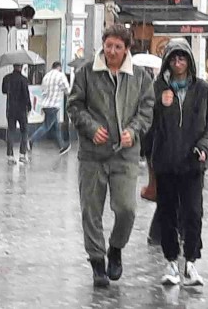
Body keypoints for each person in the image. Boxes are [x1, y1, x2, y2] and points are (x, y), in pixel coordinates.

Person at [68, 25, 154, 287]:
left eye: (118, 47)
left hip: (125, 155)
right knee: (91, 210)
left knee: (126, 208)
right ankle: (97, 262)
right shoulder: (86, 73)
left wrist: (133, 130)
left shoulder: (140, 77)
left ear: (127, 49)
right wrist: (91, 128)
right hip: (93, 155)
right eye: (108, 46)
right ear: (102, 46)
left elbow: (147, 109)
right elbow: (74, 105)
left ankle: (116, 248)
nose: (112, 51)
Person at [145, 39, 208, 287]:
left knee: (193, 213)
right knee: (167, 214)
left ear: (189, 61)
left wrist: (205, 147)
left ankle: (190, 261)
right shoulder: (157, 89)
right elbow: (146, 123)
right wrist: (159, 105)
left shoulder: (203, 89)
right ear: (168, 61)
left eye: (182, 59)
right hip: (165, 163)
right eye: (173, 59)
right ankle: (170, 262)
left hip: (192, 164)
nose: (178, 64)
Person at [29, 61, 71, 154]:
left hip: (45, 105)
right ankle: (31, 140)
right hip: (53, 106)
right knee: (46, 126)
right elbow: (68, 90)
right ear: (59, 67)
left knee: (56, 126)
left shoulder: (46, 76)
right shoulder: (60, 76)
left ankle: (61, 146)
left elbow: (42, 90)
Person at [2, 63, 32, 164]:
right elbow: (26, 94)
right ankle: (22, 155)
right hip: (22, 109)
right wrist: (29, 106)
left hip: (10, 108)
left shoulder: (7, 78)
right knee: (24, 131)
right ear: (21, 67)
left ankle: (10, 156)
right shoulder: (24, 79)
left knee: (11, 131)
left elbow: (4, 91)